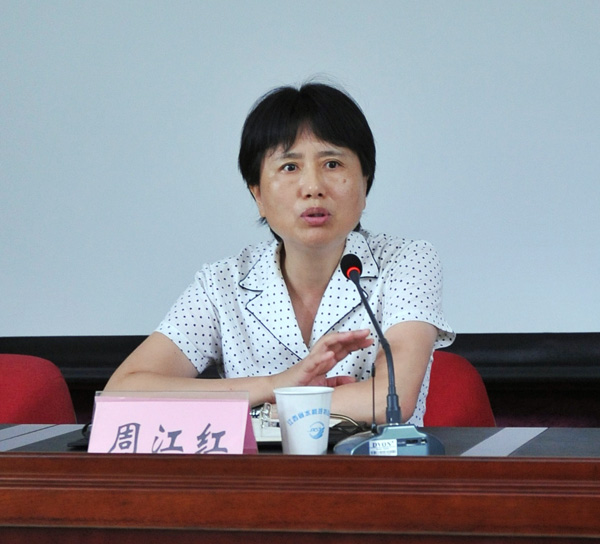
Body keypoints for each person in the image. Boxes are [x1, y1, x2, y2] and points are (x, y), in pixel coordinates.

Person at [104, 82, 455, 425]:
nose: (313, 187)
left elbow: (391, 399)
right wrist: (276, 384)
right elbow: (122, 393)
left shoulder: (406, 261)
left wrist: (267, 410)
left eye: (333, 164)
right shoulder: (222, 284)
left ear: (365, 184)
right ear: (257, 195)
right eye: (289, 167)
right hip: (255, 467)